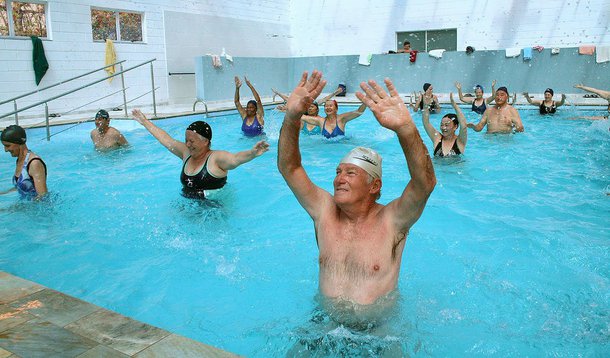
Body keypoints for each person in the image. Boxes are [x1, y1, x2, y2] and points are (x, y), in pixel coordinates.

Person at [277, 70, 436, 308]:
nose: (339, 179)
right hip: (323, 327)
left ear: (375, 186)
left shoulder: (392, 220)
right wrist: (291, 118)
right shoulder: (325, 212)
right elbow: (290, 168)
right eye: (338, 172)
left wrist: (406, 129)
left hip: (378, 335)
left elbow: (424, 184)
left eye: (351, 173)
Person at [131, 109, 269, 199]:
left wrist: (252, 153)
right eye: (186, 140)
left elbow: (235, 159)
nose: (188, 144)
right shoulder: (186, 153)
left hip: (212, 209)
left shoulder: (216, 158)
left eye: (192, 141)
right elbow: (166, 140)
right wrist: (144, 121)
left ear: (205, 142)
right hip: (187, 205)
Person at [1, 125, 47, 200]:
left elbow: (43, 197)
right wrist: (3, 193)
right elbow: (21, 187)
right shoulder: (20, 160)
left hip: (37, 210)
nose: (6, 150)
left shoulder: (34, 163)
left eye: (8, 146)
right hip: (26, 208)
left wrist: (12, 209)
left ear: (19, 143)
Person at [272, 87, 343, 135]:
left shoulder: (321, 120)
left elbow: (324, 99)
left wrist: (335, 93)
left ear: (317, 109)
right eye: (308, 107)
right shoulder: (303, 119)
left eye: (312, 107)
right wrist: (284, 108)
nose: (310, 108)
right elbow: (290, 100)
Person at [299, 100, 366, 139]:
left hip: (341, 146)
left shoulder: (342, 119)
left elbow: (359, 112)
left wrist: (366, 101)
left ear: (336, 109)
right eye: (326, 106)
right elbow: (301, 116)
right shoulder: (321, 121)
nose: (328, 108)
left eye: (330, 106)